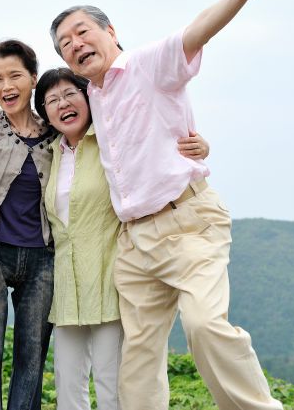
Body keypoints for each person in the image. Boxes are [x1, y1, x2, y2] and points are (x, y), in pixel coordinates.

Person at [49, 0, 294, 410]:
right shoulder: (93, 96)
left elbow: (195, 32)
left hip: (186, 223)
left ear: (110, 31)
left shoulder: (146, 64)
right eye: (65, 44)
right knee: (138, 358)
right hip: (135, 241)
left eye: (82, 32)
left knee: (205, 326)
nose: (76, 44)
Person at [34, 68, 209, 410]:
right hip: (67, 289)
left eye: (70, 94)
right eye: (51, 100)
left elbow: (157, 142)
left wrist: (200, 144)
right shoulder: (49, 152)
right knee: (68, 388)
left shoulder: (113, 143)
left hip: (111, 279)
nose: (62, 104)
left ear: (88, 98)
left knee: (110, 386)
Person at [0, 39, 56, 410]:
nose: (6, 86)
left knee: (31, 360)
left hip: (43, 259)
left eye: (15, 75)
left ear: (33, 78)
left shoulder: (57, 131)